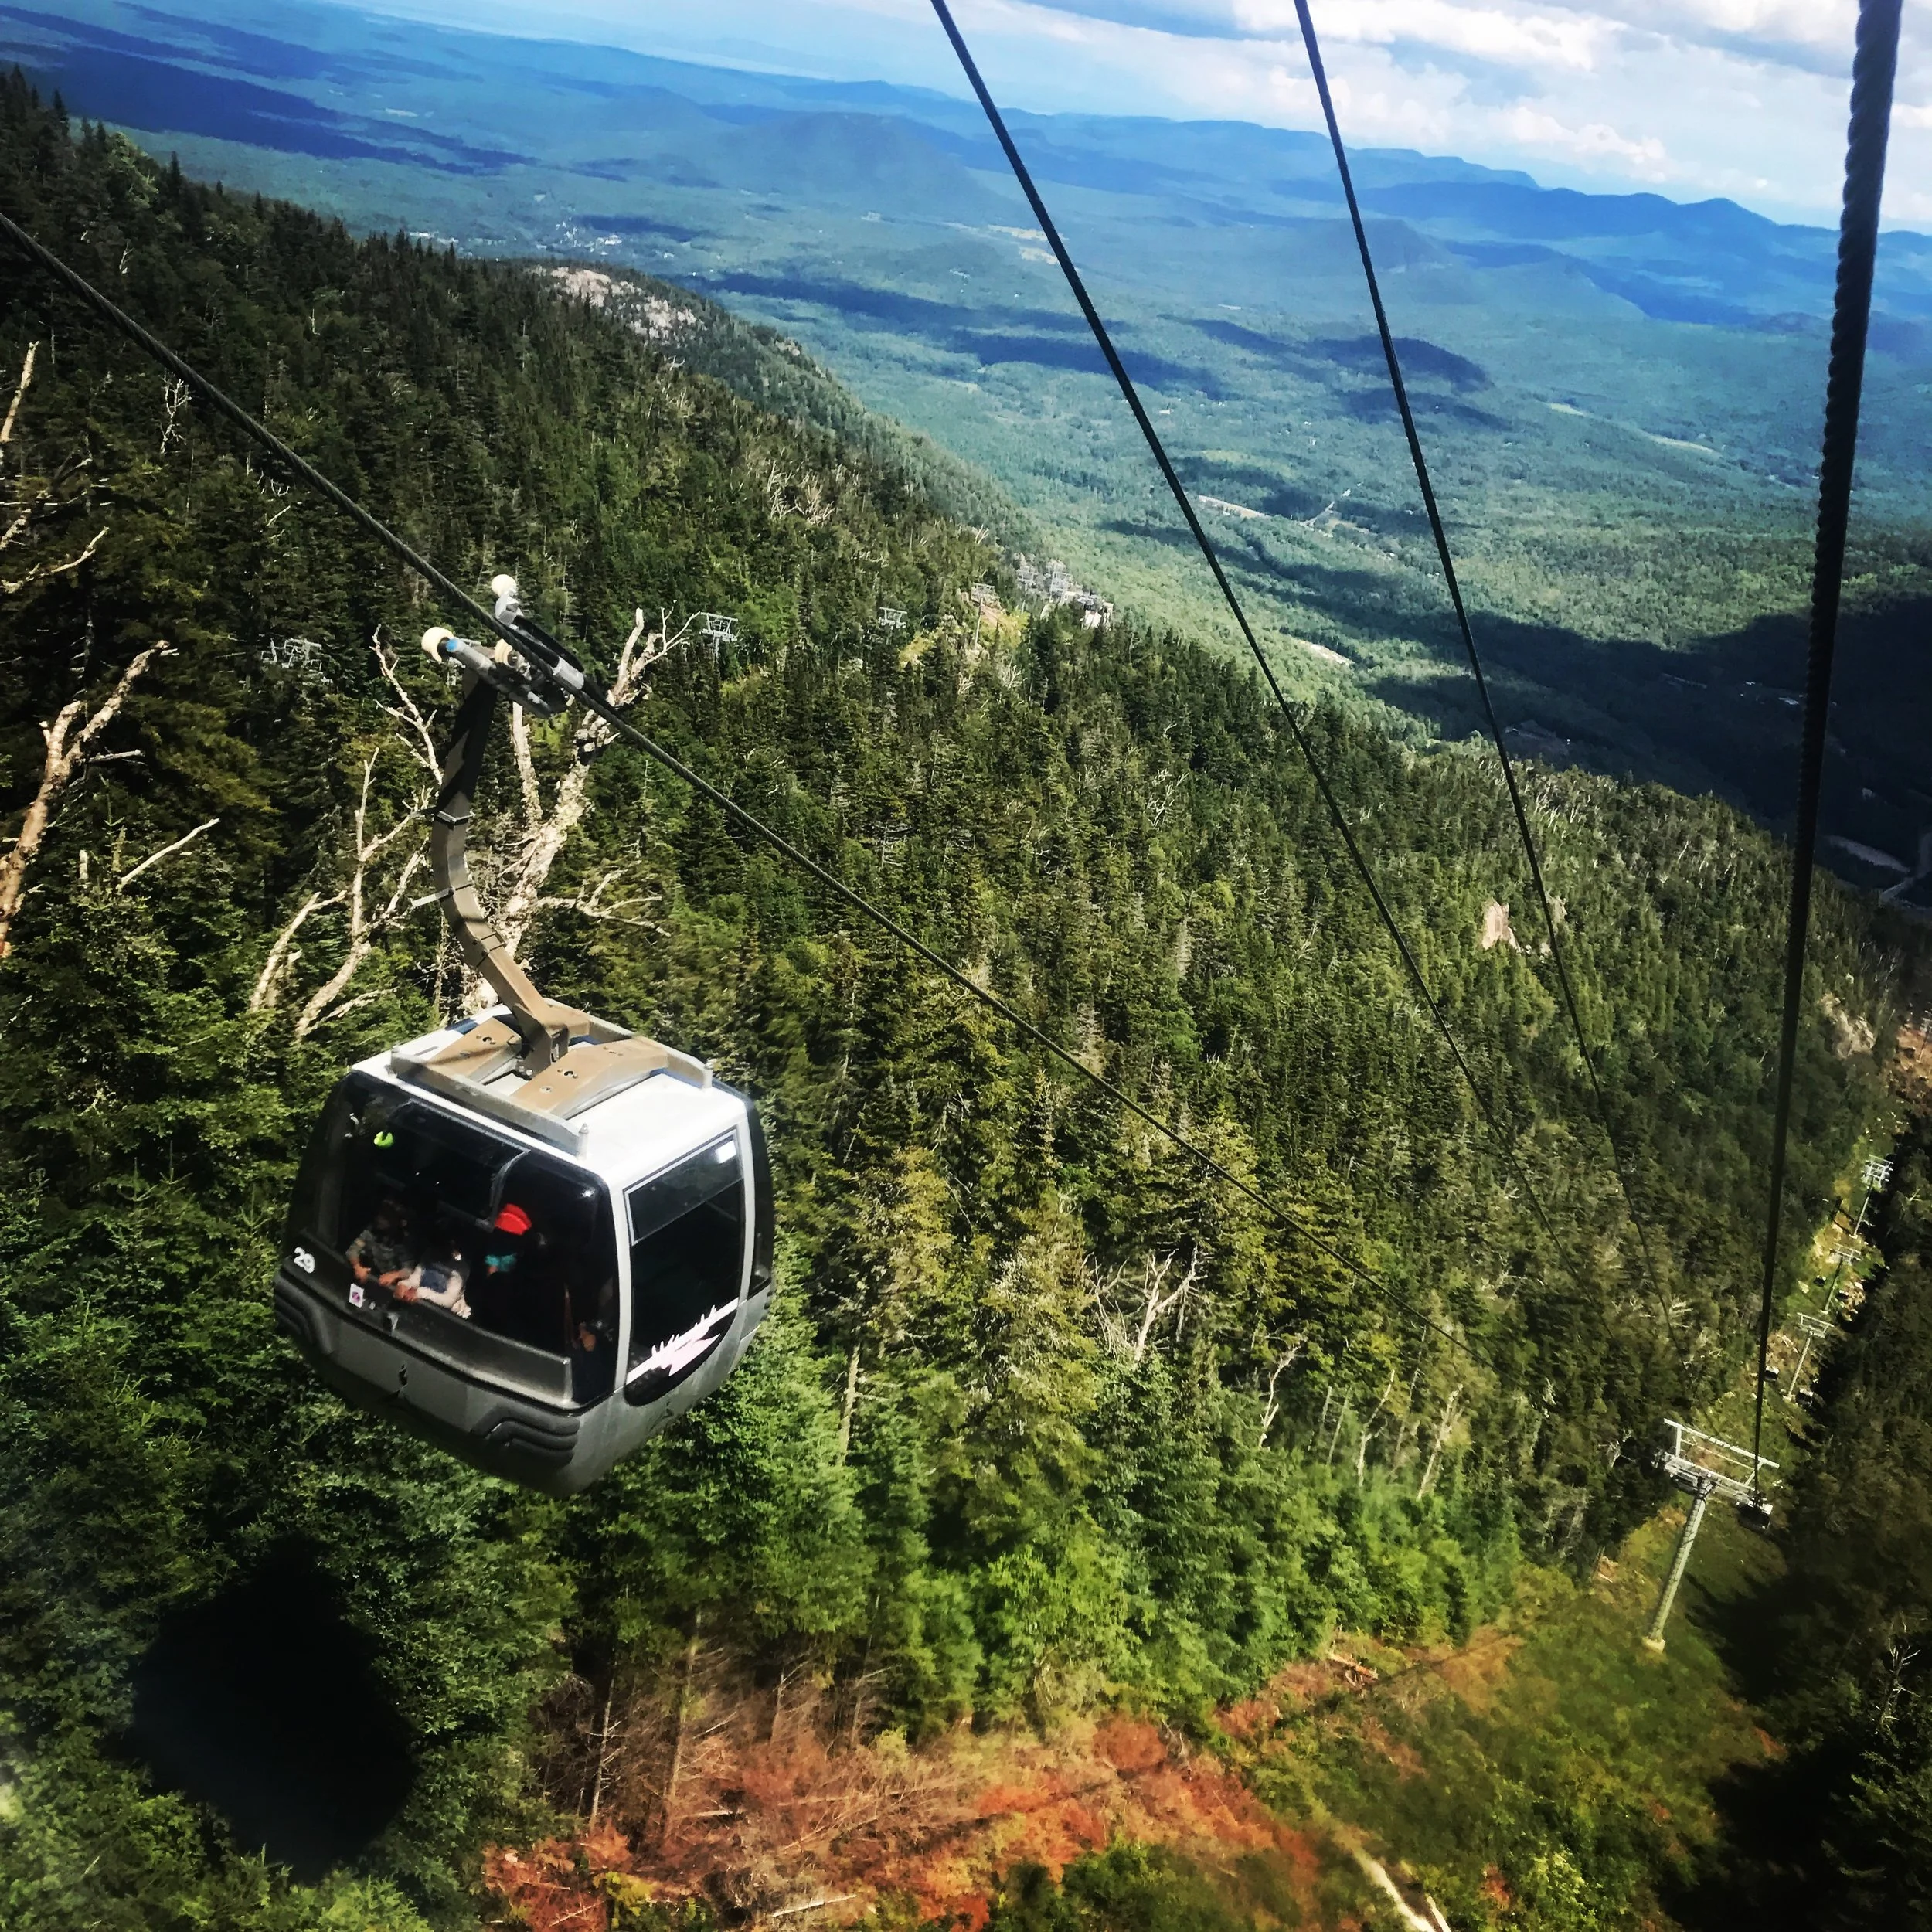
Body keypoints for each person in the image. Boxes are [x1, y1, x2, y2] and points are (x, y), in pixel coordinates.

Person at [393, 1229, 471, 1318]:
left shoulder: (460, 1267)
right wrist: (404, 1285)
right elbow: (415, 1280)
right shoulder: (430, 1255)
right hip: (420, 1308)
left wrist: (419, 1293)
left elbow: (449, 1300)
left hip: (448, 1316)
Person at [347, 1197, 417, 1291]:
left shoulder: (403, 1241)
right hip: (372, 1276)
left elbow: (410, 1269)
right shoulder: (372, 1231)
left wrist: (395, 1275)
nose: (380, 1219)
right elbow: (352, 1250)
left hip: (391, 1286)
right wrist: (357, 1266)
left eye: (386, 1217)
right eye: (380, 1214)